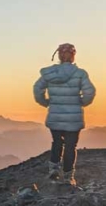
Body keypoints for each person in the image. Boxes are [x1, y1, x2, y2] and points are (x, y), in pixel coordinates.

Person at [33, 43, 97, 186]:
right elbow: (90, 91)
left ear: (59, 56)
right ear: (73, 56)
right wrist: (81, 102)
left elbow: (37, 89)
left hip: (55, 115)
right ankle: (68, 177)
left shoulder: (50, 74)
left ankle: (53, 171)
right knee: (70, 146)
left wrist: (45, 102)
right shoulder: (80, 74)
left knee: (57, 142)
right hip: (73, 117)